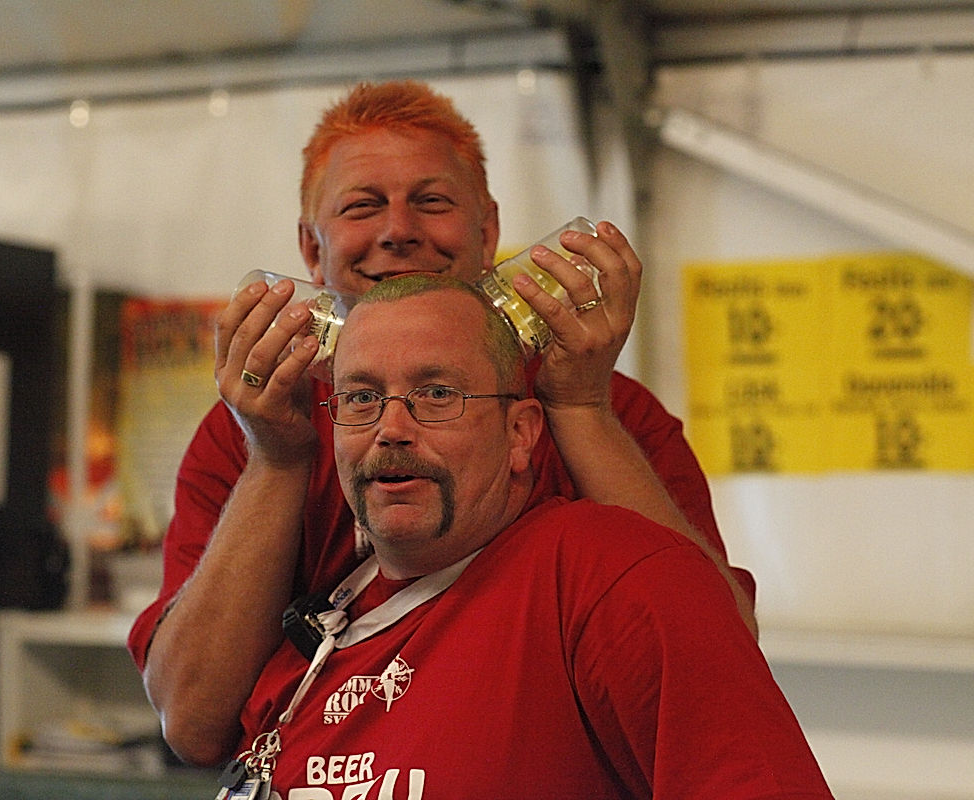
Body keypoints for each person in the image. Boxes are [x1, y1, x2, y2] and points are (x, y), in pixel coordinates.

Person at [130, 80, 757, 767]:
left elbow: (719, 664)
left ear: (487, 233)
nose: (399, 230)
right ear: (311, 249)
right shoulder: (251, 429)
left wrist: (580, 410)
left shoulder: (614, 414)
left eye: (432, 201)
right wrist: (277, 460)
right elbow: (192, 721)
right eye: (364, 206)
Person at [229, 273, 832, 799]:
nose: (391, 428)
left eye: (437, 395)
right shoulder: (309, 643)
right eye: (362, 398)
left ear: (521, 433)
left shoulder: (617, 579)